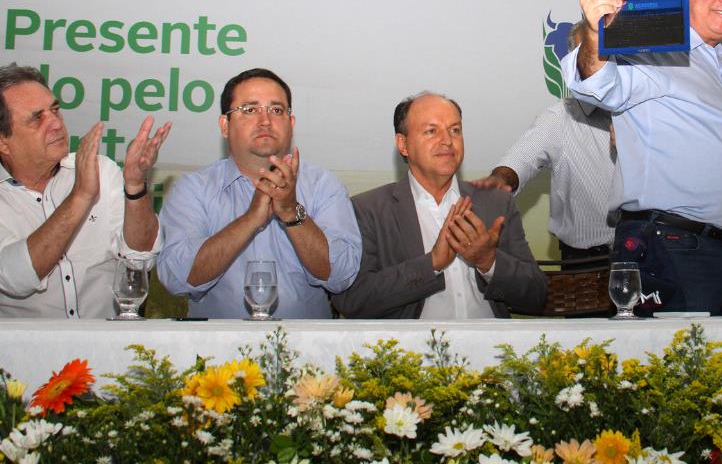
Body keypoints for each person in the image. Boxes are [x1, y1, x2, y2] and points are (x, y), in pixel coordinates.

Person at [564, 0, 722, 315]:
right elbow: (597, 82)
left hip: (719, 254)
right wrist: (594, 33)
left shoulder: (713, 66)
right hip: (672, 249)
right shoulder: (655, 49)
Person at [0, 64, 169, 318]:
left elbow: (141, 259)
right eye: (37, 118)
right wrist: (81, 196)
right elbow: (14, 276)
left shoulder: (100, 169)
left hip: (103, 340)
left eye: (54, 110)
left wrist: (135, 186)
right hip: (12, 343)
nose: (56, 123)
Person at [157, 68, 361, 318]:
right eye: (250, 110)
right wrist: (251, 219)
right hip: (219, 341)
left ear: (291, 124)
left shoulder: (323, 185)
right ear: (225, 125)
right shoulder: (194, 188)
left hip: (304, 341)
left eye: (276, 110)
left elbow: (341, 276)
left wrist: (292, 213)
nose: (265, 120)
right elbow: (177, 278)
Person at [331, 92, 546, 319]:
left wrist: (488, 261)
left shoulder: (496, 202)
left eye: (455, 130)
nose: (447, 141)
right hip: (415, 342)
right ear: (403, 144)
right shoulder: (368, 210)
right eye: (431, 131)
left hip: (489, 339)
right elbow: (353, 301)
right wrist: (431, 263)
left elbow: (537, 295)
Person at [473, 24, 615, 263]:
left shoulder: (643, 110)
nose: (596, 63)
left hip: (654, 250)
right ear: (572, 64)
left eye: (603, 53)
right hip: (588, 264)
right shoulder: (560, 117)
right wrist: (500, 181)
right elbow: (519, 161)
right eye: (587, 52)